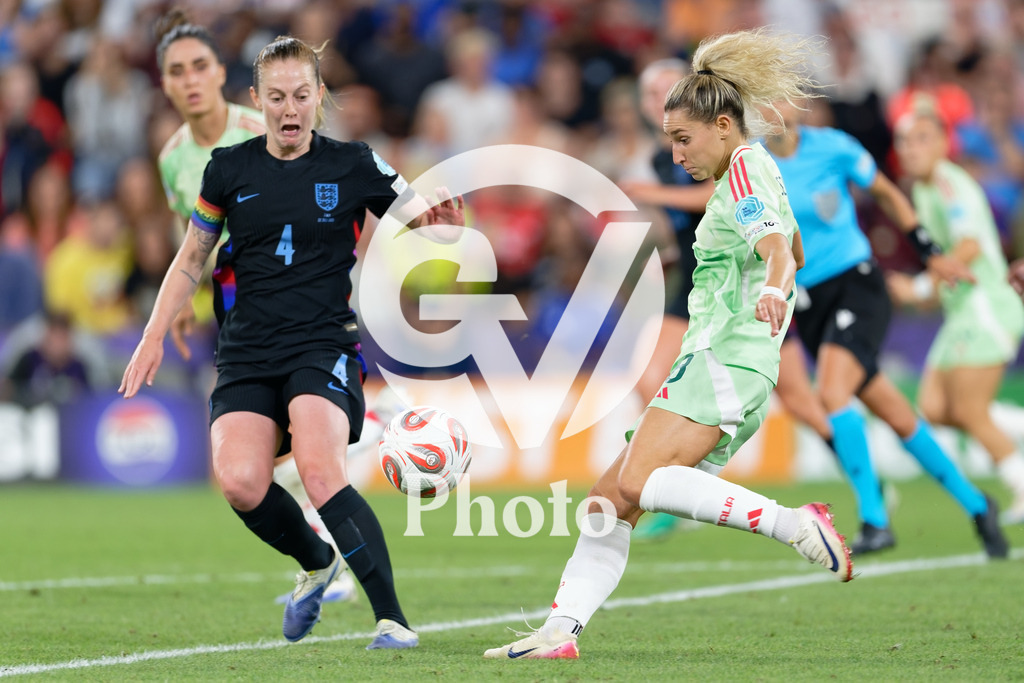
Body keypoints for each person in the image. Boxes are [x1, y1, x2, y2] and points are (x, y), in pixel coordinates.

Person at [484, 28, 852, 662]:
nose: (675, 152)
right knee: (609, 501)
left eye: (683, 138)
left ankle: (798, 524)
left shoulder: (740, 177)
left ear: (724, 126)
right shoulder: (754, 169)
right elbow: (792, 246)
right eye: (669, 139)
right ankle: (560, 630)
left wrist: (770, 288)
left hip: (724, 359)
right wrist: (774, 281)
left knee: (642, 479)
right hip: (718, 361)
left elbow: (775, 251)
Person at [120, 35, 465, 648]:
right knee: (240, 482)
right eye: (276, 97)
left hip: (321, 342)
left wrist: (445, 233)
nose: (288, 109)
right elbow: (191, 258)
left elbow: (421, 221)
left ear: (319, 97)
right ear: (257, 99)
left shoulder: (354, 163)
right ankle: (316, 561)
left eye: (301, 96)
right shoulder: (227, 169)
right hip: (247, 350)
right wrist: (152, 333)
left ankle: (392, 619)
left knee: (320, 470)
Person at [153, 10, 361, 605]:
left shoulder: (268, 123)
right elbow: (193, 235)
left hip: (303, 304)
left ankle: (340, 530)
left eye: (199, 65)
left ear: (222, 73)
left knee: (301, 440)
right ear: (165, 85)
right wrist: (182, 304)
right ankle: (324, 554)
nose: (190, 80)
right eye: (176, 72)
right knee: (258, 461)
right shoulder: (173, 158)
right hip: (239, 316)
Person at [762, 100, 1008, 557]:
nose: (774, 107)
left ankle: (875, 519)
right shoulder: (752, 164)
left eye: (781, 96)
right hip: (809, 304)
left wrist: (929, 250)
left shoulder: (833, 147)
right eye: (762, 97)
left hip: (857, 285)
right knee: (897, 414)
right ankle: (978, 503)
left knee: (833, 393)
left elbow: (888, 194)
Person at [888, 103, 1024, 525]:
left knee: (969, 411)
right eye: (904, 141)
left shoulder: (949, 185)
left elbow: (970, 247)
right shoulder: (924, 191)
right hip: (960, 313)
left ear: (945, 143)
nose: (911, 149)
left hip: (985, 308)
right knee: (933, 407)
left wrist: (919, 288)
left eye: (922, 138)